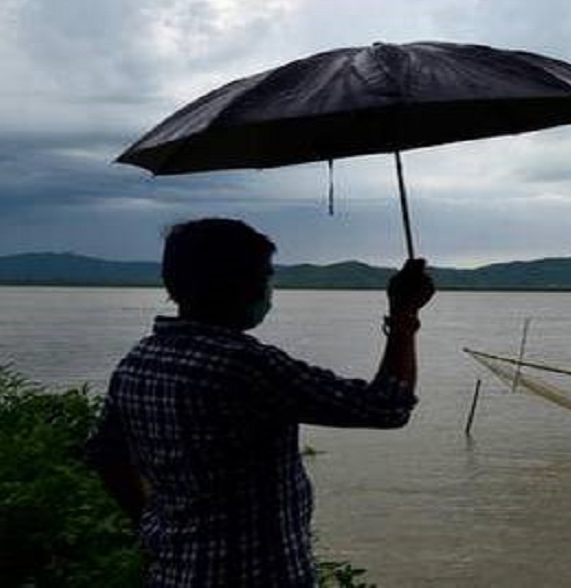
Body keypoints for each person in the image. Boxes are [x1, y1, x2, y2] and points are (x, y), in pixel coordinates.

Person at [86, 218, 435, 586]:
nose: (270, 287)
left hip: (171, 574)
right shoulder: (246, 365)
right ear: (241, 285)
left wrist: (147, 524)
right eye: (267, 275)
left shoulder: (138, 360)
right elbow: (386, 406)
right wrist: (404, 314)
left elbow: (106, 455)